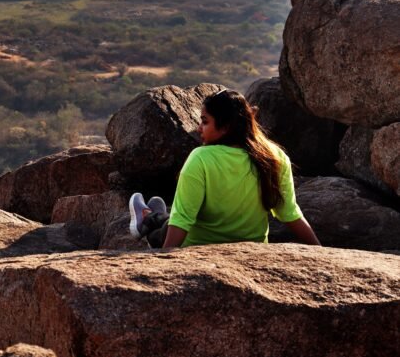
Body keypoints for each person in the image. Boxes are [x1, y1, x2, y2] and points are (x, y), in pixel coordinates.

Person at [129, 88, 321, 249]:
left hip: (197, 247)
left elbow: (182, 221)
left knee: (163, 228)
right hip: (253, 249)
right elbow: (290, 213)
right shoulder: (274, 157)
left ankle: (147, 220)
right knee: (170, 217)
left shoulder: (201, 158)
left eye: (205, 122)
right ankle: (154, 215)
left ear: (225, 127)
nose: (198, 128)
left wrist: (164, 262)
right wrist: (320, 251)